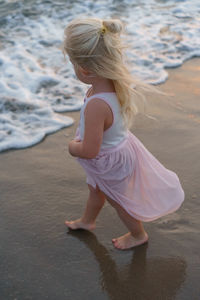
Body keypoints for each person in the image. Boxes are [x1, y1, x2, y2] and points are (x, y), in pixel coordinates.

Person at [63, 18, 184, 250]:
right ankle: (88, 221)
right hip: (118, 149)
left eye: (72, 62)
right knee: (96, 189)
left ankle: (138, 235)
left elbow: (90, 150)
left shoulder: (97, 103)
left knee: (118, 201)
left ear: (85, 69)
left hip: (108, 160)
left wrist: (72, 146)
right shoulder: (115, 86)